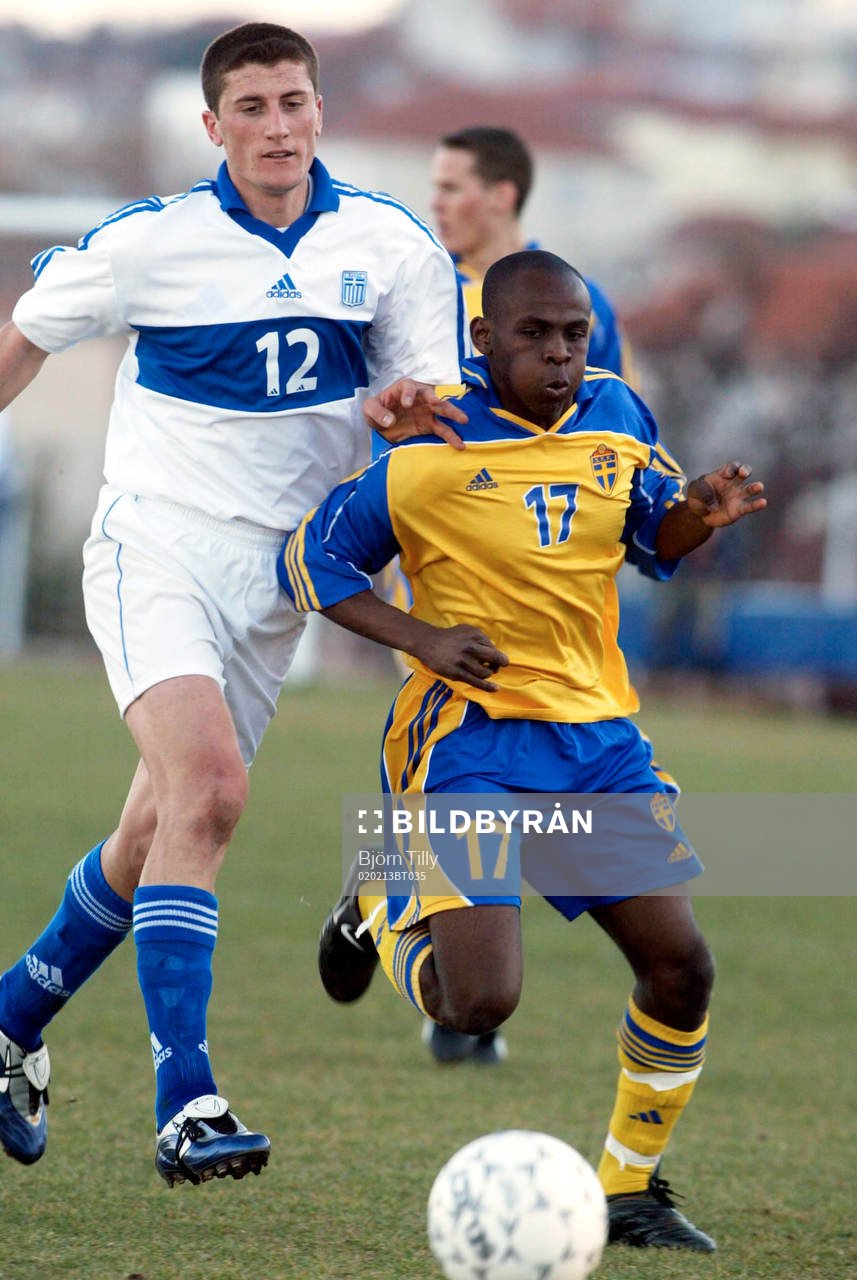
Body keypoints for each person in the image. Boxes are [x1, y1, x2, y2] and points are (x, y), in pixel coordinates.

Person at [0, 22, 466, 1186]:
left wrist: (404, 414)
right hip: (154, 543)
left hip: (282, 582)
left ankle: (11, 1019)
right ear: (212, 126)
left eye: (292, 103)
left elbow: (431, 411)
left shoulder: (390, 245)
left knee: (162, 825)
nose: (275, 126)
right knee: (210, 790)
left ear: (320, 113)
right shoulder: (149, 244)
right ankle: (186, 1095)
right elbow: (23, 337)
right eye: (249, 107)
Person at [278, 250, 766, 1251]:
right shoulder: (430, 442)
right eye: (533, 335)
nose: (555, 354)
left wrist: (692, 519)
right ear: (483, 342)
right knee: (476, 1004)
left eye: (571, 335)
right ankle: (376, 898)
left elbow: (648, 537)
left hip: (593, 740)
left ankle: (626, 1188)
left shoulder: (616, 413)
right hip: (468, 741)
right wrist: (420, 639)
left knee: (680, 969)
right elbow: (309, 559)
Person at [412, 124, 634, 1064]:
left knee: (510, 767)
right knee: (449, 745)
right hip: (436, 569)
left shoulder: (579, 302)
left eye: (453, 186)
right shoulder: (421, 295)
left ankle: (387, 908)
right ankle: (444, 962)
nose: (438, 203)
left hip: (549, 595)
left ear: (502, 196)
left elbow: (604, 431)